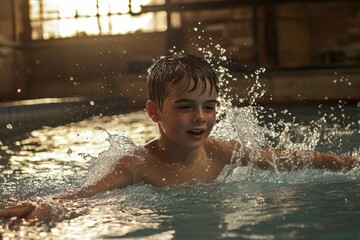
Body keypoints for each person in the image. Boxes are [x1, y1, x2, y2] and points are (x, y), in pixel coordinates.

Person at [0, 53, 357, 225]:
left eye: (209, 106)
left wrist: (347, 163)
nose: (200, 117)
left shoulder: (220, 153)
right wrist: (50, 204)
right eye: (185, 106)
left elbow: (288, 158)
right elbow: (86, 196)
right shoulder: (139, 164)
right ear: (154, 112)